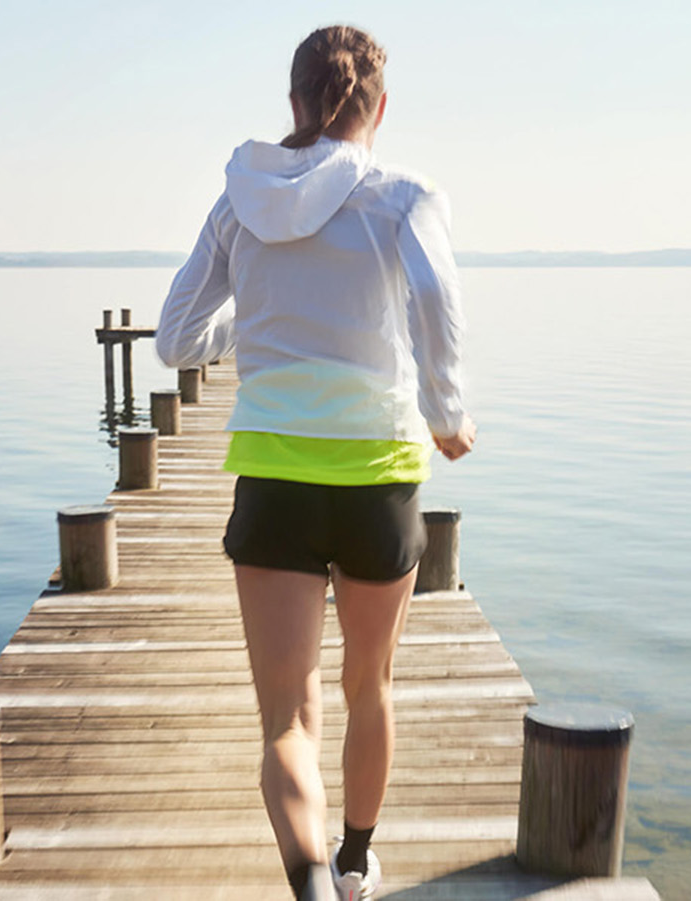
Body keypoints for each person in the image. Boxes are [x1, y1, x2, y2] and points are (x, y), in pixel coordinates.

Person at [155, 24, 475, 901]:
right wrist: (448, 412)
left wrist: (250, 321)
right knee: (369, 682)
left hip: (275, 476)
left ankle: (310, 887)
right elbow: (439, 294)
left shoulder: (238, 203)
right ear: (380, 106)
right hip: (378, 470)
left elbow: (177, 340)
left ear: (294, 104)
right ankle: (357, 860)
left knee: (287, 721)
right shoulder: (403, 195)